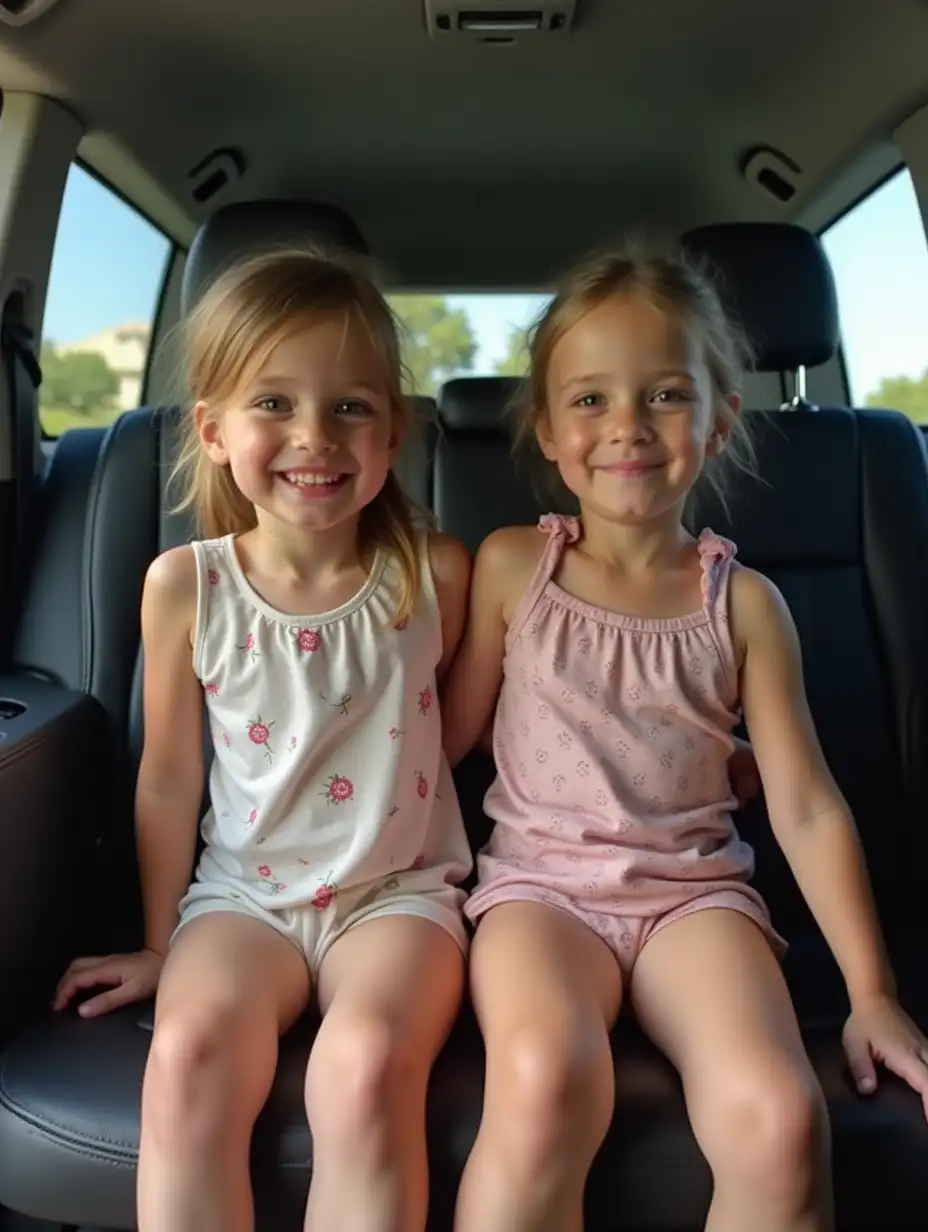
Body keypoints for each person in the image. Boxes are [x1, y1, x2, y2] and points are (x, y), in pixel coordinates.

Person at [441, 247, 928, 1232]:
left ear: (718, 422)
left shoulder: (746, 604)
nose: (626, 424)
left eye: (665, 393)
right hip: (539, 891)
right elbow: (436, 746)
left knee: (781, 1118)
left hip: (693, 894)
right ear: (546, 426)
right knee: (540, 1081)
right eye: (590, 399)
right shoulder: (508, 570)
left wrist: (870, 991)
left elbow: (803, 802)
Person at [53, 248, 474, 1232]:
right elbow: (168, 779)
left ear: (393, 432)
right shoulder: (185, 585)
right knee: (190, 1052)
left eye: (351, 407)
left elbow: (450, 732)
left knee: (366, 1067)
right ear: (213, 428)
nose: (313, 437)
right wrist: (164, 939)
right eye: (273, 404)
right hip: (242, 896)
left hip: (398, 892)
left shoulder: (436, 575)